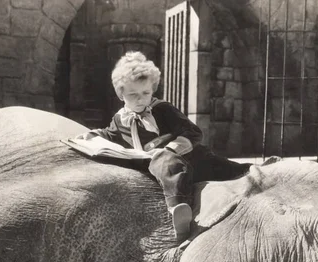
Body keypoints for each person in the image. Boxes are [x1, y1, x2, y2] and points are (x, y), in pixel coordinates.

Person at [77, 51, 251, 245]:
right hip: (157, 165)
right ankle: (180, 215)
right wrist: (90, 137)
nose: (140, 99)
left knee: (232, 170)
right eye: (133, 95)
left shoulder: (162, 109)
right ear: (120, 94)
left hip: (189, 157)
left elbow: (193, 132)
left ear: (153, 90)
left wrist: (171, 148)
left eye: (146, 93)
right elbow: (110, 134)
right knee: (160, 165)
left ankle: (179, 206)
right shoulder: (120, 119)